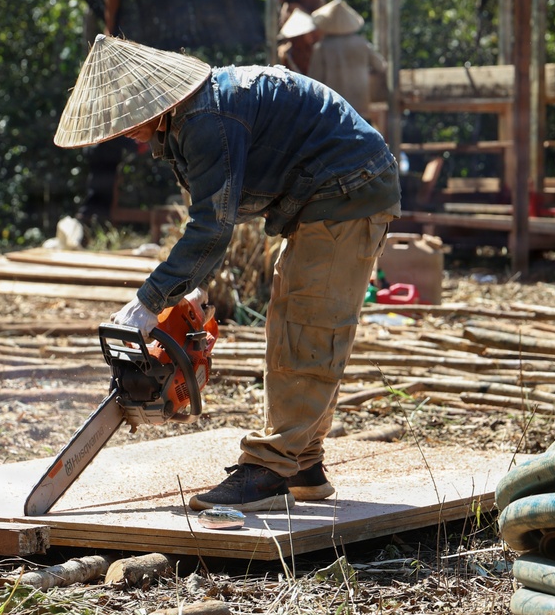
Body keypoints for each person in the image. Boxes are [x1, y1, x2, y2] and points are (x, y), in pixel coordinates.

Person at [54, 35, 401, 512]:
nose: (124, 132)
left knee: (310, 324)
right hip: (324, 194)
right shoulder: (187, 120)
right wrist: (182, 289)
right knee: (291, 325)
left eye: (126, 120)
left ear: (151, 101)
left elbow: (210, 231)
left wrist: (149, 302)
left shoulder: (205, 119)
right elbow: (216, 217)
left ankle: (271, 468)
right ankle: (302, 461)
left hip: (348, 186)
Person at [308, 0, 387, 123]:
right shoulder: (362, 44)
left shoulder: (322, 47)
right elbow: (381, 65)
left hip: (334, 108)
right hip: (360, 106)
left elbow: (314, 80)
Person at [276, 8, 319, 75]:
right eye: (308, 33)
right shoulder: (285, 53)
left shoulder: (312, 50)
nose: (311, 35)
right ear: (300, 36)